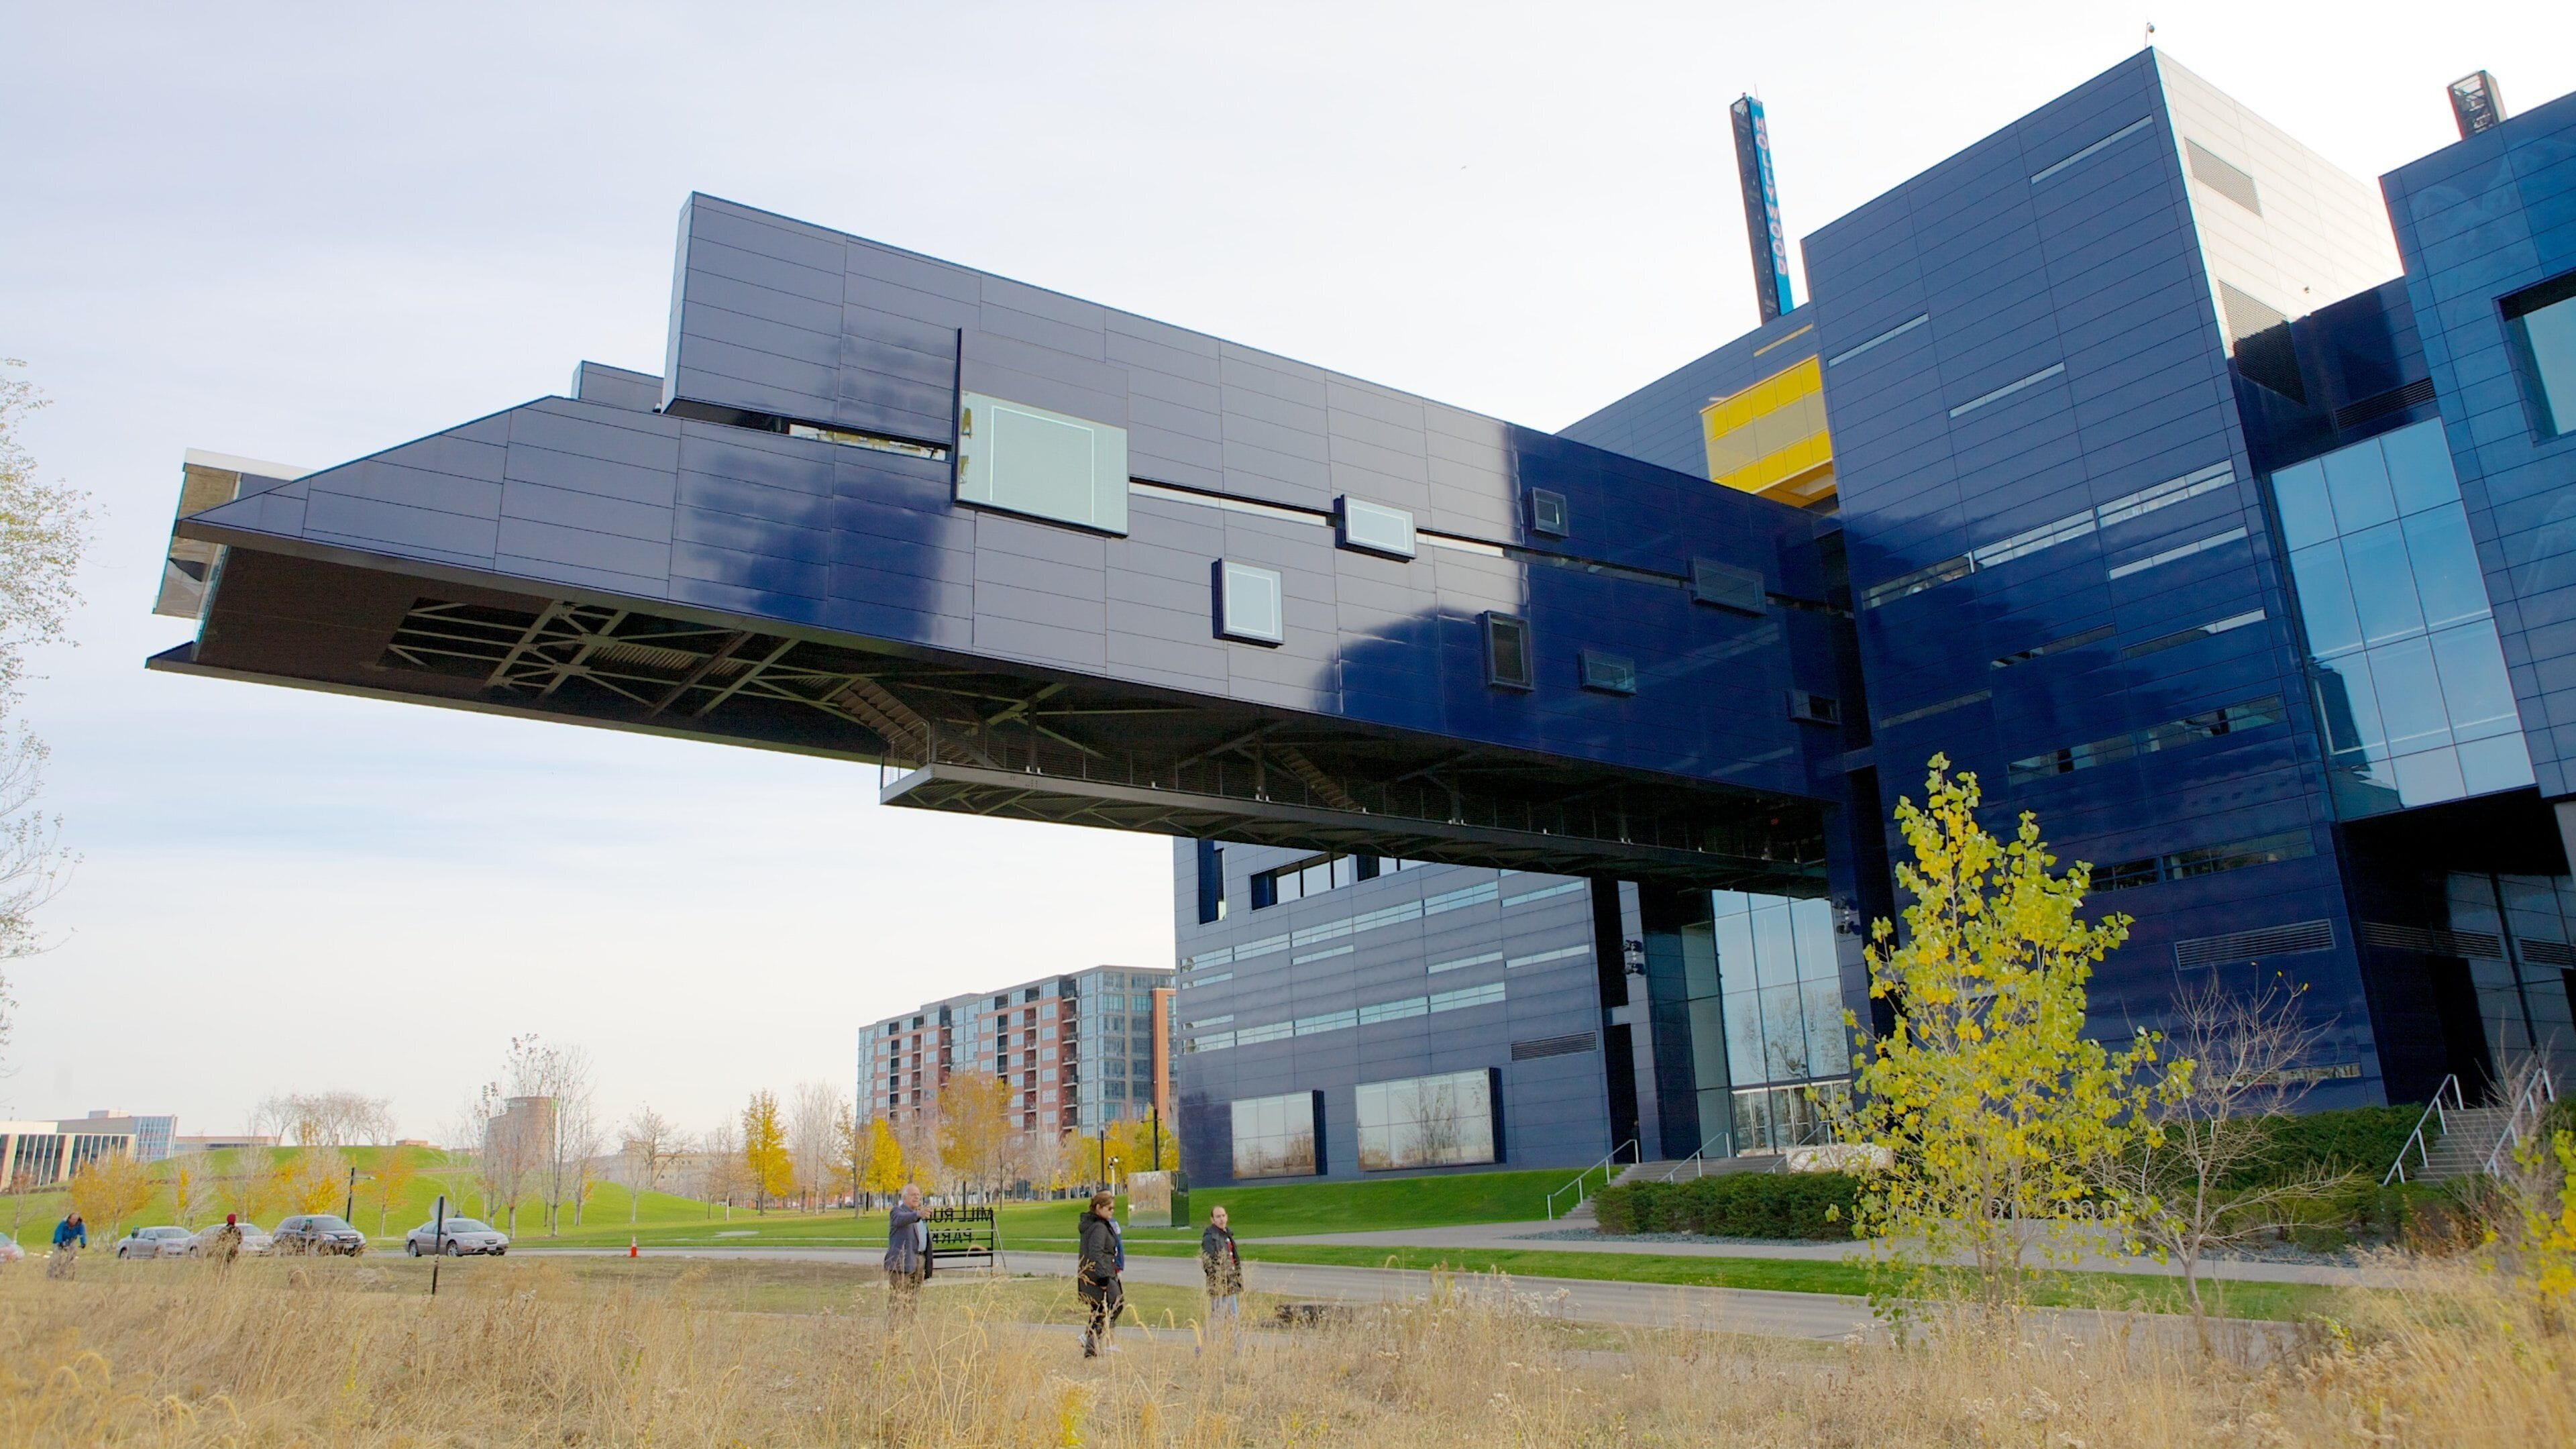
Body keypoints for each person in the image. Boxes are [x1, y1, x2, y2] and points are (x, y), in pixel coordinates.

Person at [1076, 1190, 1124, 1358]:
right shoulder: (1098, 1227)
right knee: (1113, 1304)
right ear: (1099, 1208)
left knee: (1100, 1309)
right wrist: (1103, 1277)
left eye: (1113, 1208)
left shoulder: (1098, 1225)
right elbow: (1096, 1253)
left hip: (1100, 1272)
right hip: (1099, 1274)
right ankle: (1090, 1342)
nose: (1112, 1212)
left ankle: (1090, 1345)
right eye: (1109, 1208)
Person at [883, 1183, 932, 1319]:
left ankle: (908, 1333)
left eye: (918, 1195)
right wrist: (918, 1214)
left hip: (919, 1263)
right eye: (913, 1195)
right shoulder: (897, 1212)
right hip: (902, 1264)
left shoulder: (920, 1215)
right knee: (897, 1302)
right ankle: (892, 1334)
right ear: (904, 1197)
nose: (917, 1197)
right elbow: (900, 1220)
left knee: (913, 1302)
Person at [1199, 1204, 1242, 1334]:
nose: (1222, 1219)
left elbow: (1234, 1261)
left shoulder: (1227, 1236)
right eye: (1218, 1217)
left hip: (1231, 1286)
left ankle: (1236, 1351)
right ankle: (1203, 1351)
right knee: (1216, 1321)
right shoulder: (1210, 1238)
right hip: (1219, 1287)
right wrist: (1219, 1279)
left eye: (1223, 1216)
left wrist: (1237, 1280)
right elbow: (1207, 1263)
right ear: (1212, 1219)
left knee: (1234, 1319)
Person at [47, 1212, 84, 1279]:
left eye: (76, 1219)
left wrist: (83, 1243)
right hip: (58, 1242)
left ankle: (64, 1271)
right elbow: (58, 1233)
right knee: (56, 1258)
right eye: (73, 1219)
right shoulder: (63, 1224)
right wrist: (60, 1242)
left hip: (70, 1242)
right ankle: (50, 1275)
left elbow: (82, 1234)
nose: (75, 1221)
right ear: (69, 1219)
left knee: (72, 1255)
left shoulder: (80, 1225)